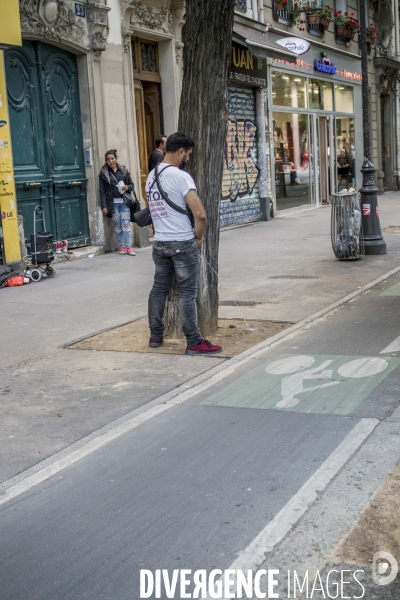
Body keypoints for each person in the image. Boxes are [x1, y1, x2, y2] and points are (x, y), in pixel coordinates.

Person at [146, 132, 222, 355]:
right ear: (180, 151)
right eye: (188, 154)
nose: (188, 158)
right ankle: (194, 341)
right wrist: (198, 237)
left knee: (158, 289)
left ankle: (155, 335)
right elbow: (200, 214)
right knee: (188, 293)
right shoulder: (181, 177)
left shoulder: (151, 175)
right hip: (182, 241)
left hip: (160, 243)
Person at [99, 149, 136, 255]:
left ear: (116, 159)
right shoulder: (104, 173)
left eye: (112, 159)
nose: (110, 161)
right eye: (108, 159)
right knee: (118, 225)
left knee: (125, 223)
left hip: (124, 202)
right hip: (112, 204)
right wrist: (104, 206)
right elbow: (101, 191)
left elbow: (132, 186)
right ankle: (122, 246)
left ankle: (129, 247)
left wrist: (127, 187)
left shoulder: (123, 170)